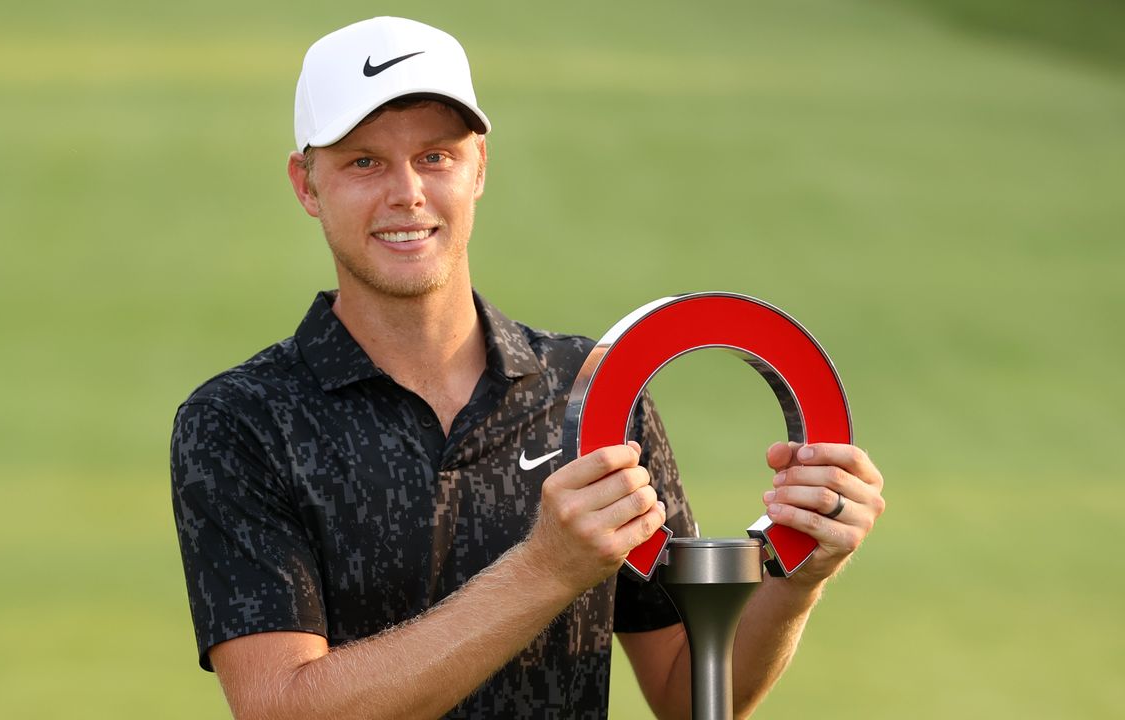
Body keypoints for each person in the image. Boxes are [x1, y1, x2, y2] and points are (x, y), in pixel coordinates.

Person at [170, 16, 886, 720]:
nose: (407, 192)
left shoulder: (592, 391)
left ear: (480, 165)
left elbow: (687, 688)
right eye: (364, 161)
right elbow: (281, 708)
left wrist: (799, 580)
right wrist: (545, 570)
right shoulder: (239, 422)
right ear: (306, 184)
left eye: (436, 156)